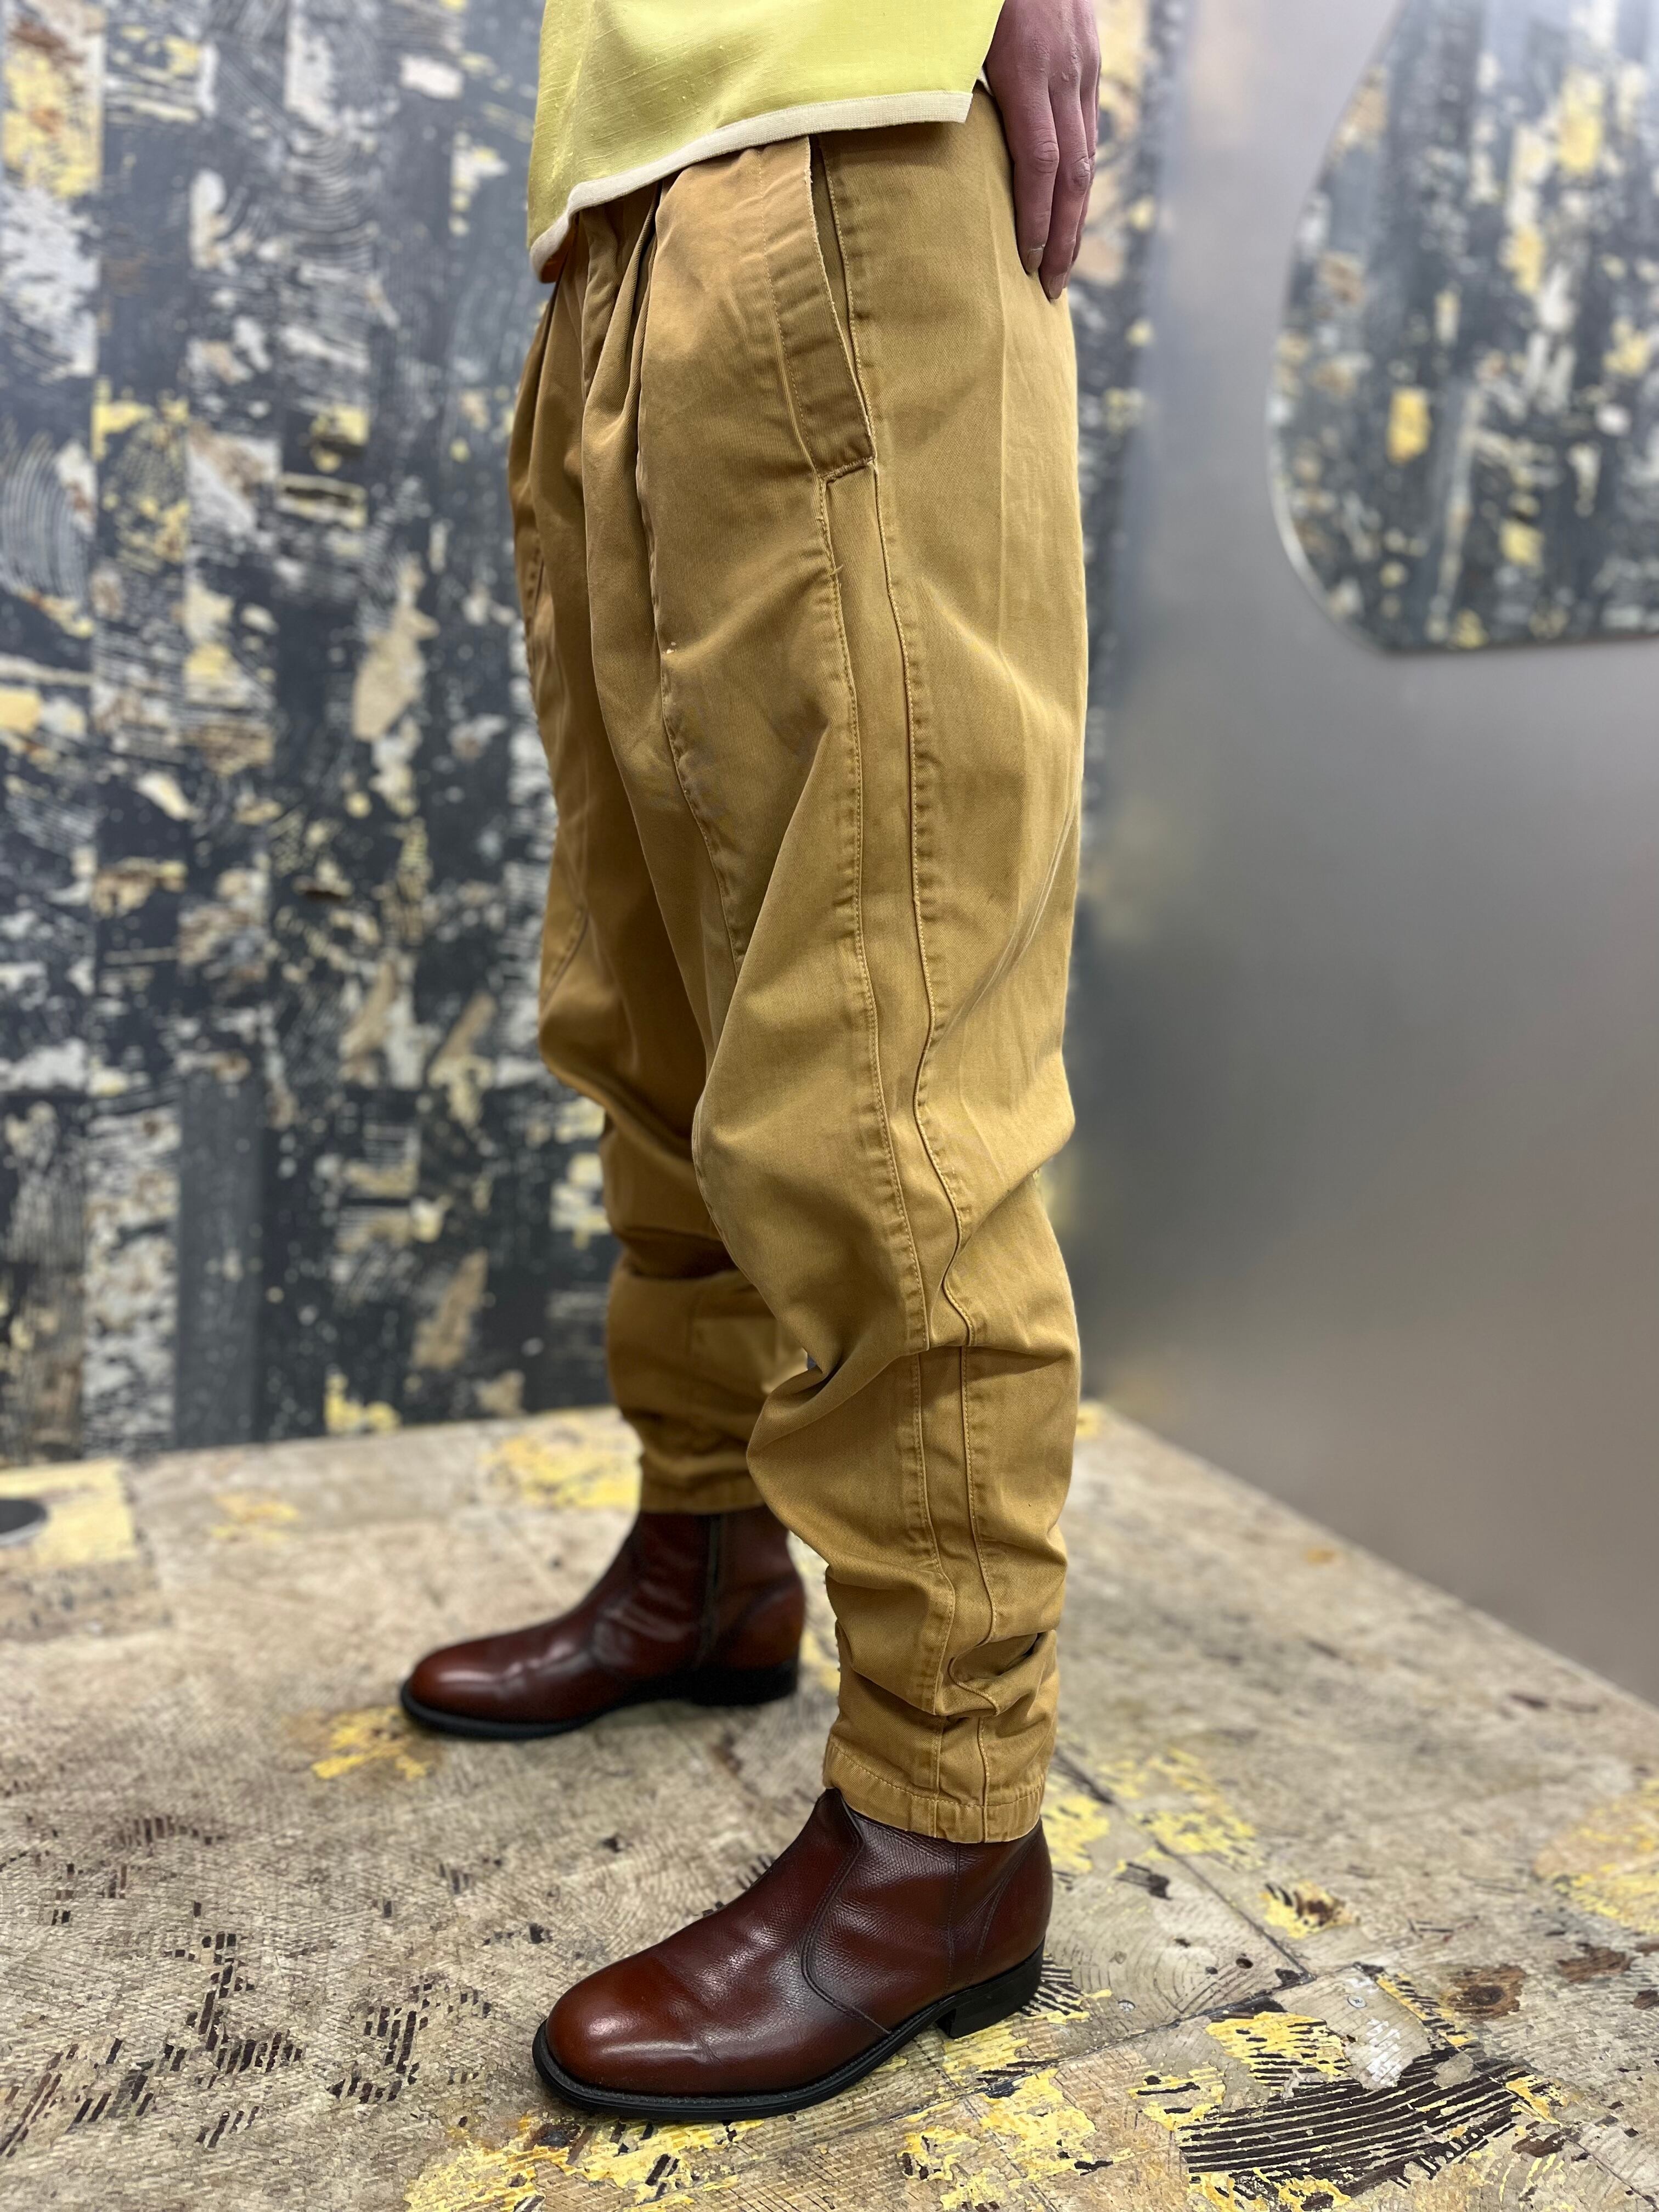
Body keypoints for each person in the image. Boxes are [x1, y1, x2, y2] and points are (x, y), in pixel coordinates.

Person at [402, 0, 1099, 2122]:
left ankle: (947, 1822)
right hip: (613, 220)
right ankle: (705, 1557)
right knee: (656, 1007)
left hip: (850, 127)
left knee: (878, 1041)